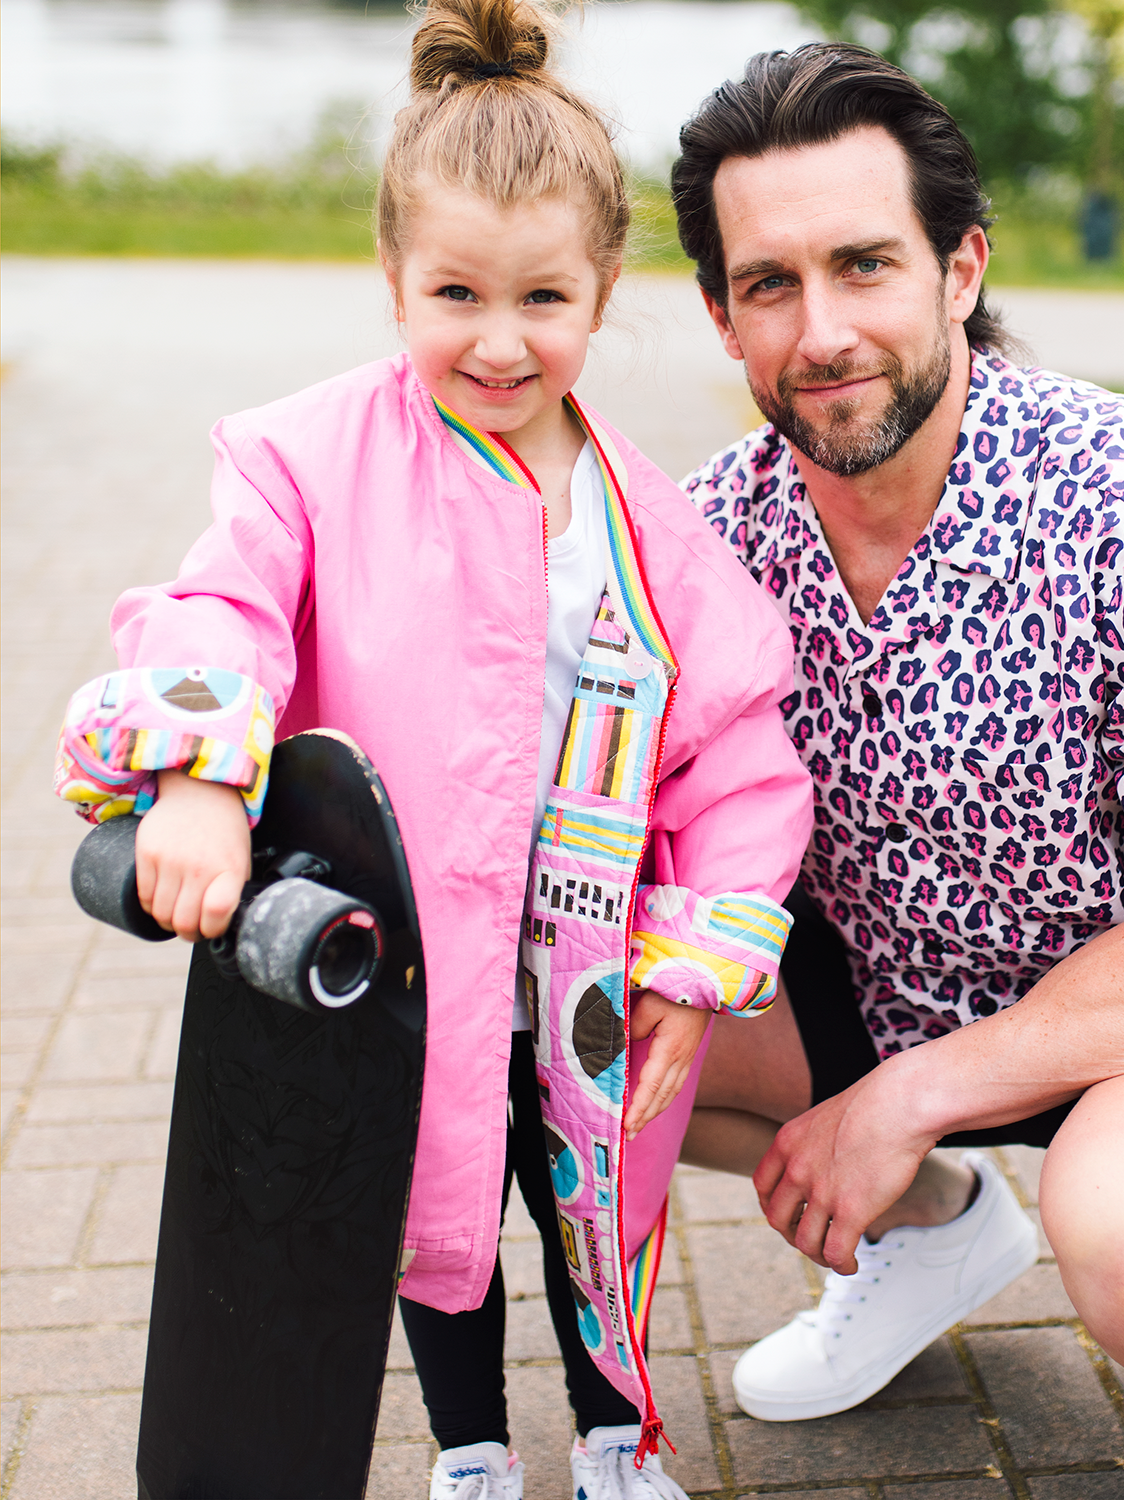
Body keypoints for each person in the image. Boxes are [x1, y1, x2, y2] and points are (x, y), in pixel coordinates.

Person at [51, 5, 812, 1497]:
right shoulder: (308, 462)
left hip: (587, 962)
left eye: (544, 298)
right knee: (423, 1208)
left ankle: (619, 1439)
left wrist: (696, 957)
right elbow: (220, 607)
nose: (499, 340)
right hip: (406, 956)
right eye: (455, 292)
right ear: (392, 279)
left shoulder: (655, 533)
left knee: (592, 1204)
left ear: (603, 293)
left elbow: (735, 752)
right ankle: (471, 1450)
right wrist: (201, 778)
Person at [669, 44, 1124, 1500]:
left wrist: (902, 1099)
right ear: (722, 316)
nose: (823, 331)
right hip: (882, 989)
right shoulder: (701, 543)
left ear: (961, 269)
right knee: (583, 1035)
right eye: (770, 284)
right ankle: (939, 1230)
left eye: (865, 264)